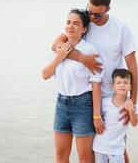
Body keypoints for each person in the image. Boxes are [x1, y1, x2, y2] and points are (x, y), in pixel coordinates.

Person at [52, 0, 138, 162]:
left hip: (113, 96)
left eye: (97, 15)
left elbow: (132, 66)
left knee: (117, 147)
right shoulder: (85, 22)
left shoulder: (121, 28)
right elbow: (56, 44)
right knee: (97, 148)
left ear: (108, 9)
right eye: (89, 11)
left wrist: (133, 101)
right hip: (86, 96)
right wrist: (83, 58)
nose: (91, 17)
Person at [42, 9, 103, 163]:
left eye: (76, 23)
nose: (70, 26)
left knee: (85, 158)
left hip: (83, 106)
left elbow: (96, 85)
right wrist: (59, 57)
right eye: (68, 22)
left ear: (83, 29)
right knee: (61, 157)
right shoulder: (59, 48)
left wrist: (97, 115)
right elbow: (45, 74)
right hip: (61, 104)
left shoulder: (89, 50)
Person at [93, 69, 138, 163]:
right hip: (100, 146)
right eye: (118, 82)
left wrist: (131, 110)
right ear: (113, 86)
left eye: (125, 82)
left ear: (130, 87)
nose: (122, 85)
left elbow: (134, 123)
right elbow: (97, 118)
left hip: (117, 149)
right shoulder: (105, 102)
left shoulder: (131, 104)